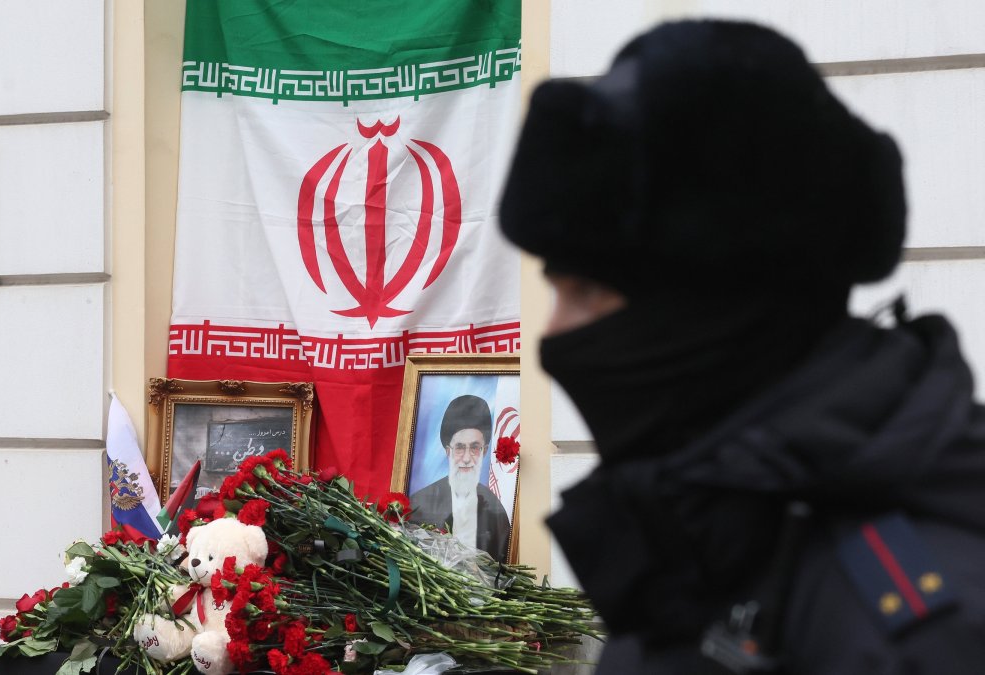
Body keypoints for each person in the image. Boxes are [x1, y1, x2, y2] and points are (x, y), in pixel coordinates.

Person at [499, 19, 985, 675]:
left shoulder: (917, 627)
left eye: (586, 291)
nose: (553, 332)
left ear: (711, 308)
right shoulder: (696, 540)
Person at [409, 394, 511, 561]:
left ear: (484, 451)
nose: (466, 458)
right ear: (448, 451)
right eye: (459, 447)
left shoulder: (496, 510)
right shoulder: (419, 504)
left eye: (474, 447)